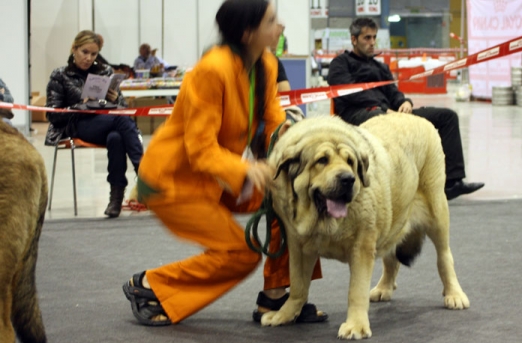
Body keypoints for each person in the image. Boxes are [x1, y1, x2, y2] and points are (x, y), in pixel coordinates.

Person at [122, 0, 326, 326]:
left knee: (293, 197)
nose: (281, 26)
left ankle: (275, 296)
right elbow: (200, 150)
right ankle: (150, 285)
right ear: (247, 33)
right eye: (272, 20)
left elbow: (273, 124)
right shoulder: (211, 70)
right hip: (171, 183)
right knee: (241, 255)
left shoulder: (266, 64)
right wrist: (248, 169)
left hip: (219, 175)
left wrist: (305, 143)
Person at [328, 17, 484, 200]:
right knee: (384, 118)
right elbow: (350, 93)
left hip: (390, 113)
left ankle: (452, 182)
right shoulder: (341, 63)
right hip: (358, 114)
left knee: (447, 116)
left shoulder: (380, 67)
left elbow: (392, 91)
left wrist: (404, 102)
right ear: (354, 39)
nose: (372, 42)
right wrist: (382, 109)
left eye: (374, 37)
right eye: (366, 38)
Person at [45, 30, 144, 218]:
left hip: (107, 122)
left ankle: (115, 199)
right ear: (74, 49)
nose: (89, 58)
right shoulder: (60, 75)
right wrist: (81, 105)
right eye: (84, 52)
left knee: (116, 137)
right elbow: (52, 115)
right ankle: (145, 173)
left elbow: (121, 108)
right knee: (121, 120)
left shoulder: (105, 71)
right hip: (76, 125)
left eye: (94, 54)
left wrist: (116, 100)